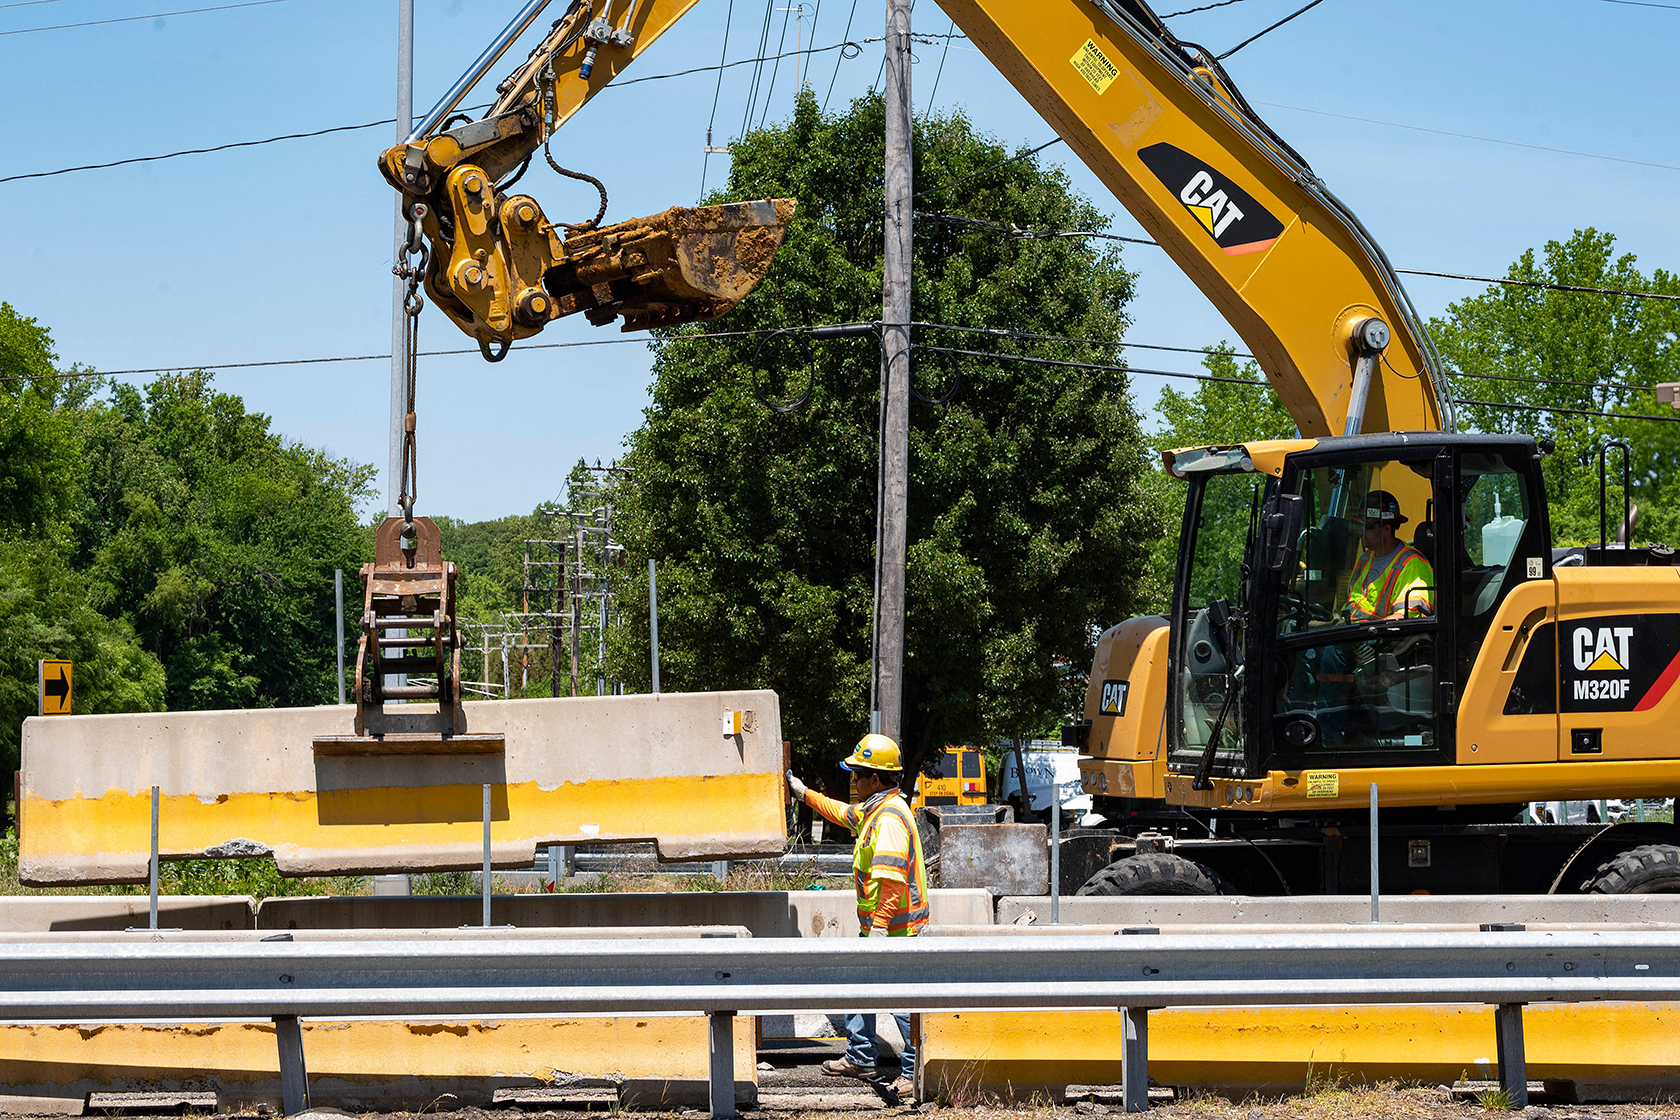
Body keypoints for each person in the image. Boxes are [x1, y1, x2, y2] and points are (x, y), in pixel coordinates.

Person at [786, 733, 928, 1099]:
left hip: (897, 932)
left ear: (874, 779)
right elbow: (839, 812)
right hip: (882, 929)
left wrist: (878, 932)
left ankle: (915, 1072)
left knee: (901, 1003)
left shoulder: (890, 820)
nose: (852, 780)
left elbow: (892, 885)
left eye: (856, 775)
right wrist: (804, 794)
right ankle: (861, 1057)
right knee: (859, 985)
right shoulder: (873, 811)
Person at [1346, 490, 1434, 621]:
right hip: (1353, 629)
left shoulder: (1412, 564)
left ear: (1386, 529)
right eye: (1359, 525)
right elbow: (1351, 602)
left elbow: (1406, 619)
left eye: (1366, 527)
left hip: (1379, 633)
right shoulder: (1365, 558)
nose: (1360, 531)